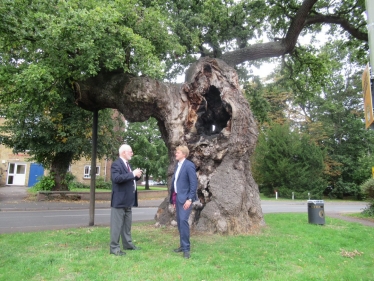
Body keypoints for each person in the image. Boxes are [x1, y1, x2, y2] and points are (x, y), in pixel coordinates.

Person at [110, 144, 143, 256]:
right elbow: (117, 179)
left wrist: (137, 176)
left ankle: (128, 244)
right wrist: (132, 174)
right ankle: (114, 248)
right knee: (117, 226)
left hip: (128, 200)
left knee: (127, 225)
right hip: (119, 201)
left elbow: (129, 178)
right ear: (124, 152)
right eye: (130, 151)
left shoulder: (127, 164)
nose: (132, 153)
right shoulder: (116, 164)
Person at [169, 145, 198, 259]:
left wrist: (190, 199)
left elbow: (193, 183)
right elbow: (176, 183)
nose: (176, 153)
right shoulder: (178, 166)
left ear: (184, 154)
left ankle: (186, 249)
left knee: (184, 222)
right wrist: (174, 199)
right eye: (176, 152)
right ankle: (182, 246)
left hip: (186, 199)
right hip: (178, 198)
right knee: (180, 223)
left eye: (178, 152)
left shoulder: (189, 165)